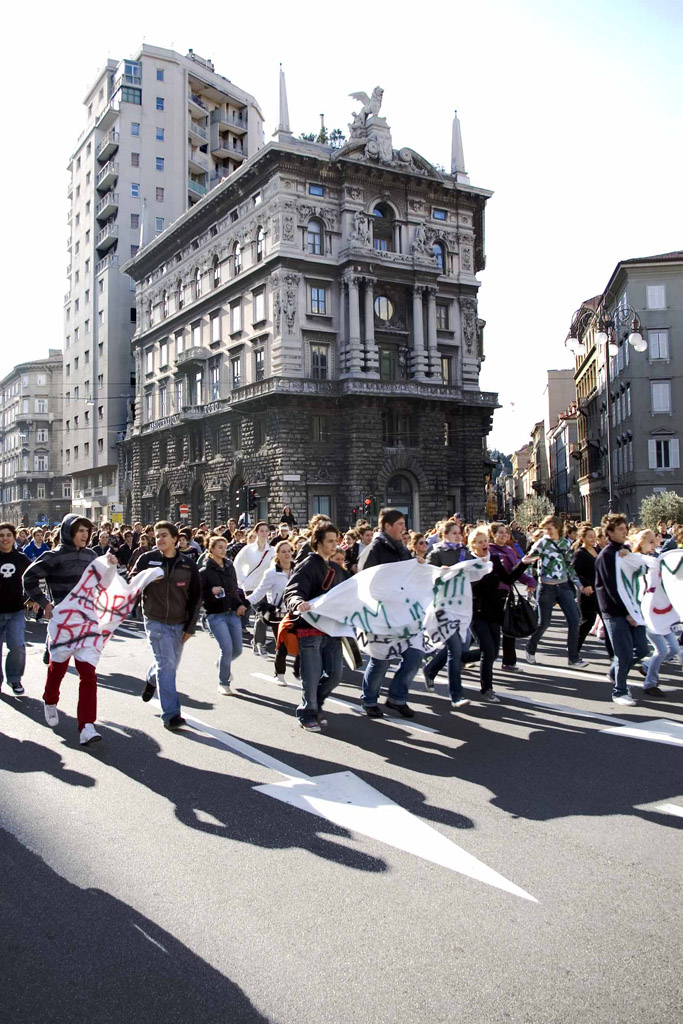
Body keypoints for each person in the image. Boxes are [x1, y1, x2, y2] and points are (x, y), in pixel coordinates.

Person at [23, 514, 115, 745]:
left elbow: (101, 585)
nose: (84, 535)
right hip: (62, 623)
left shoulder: (92, 555)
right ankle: (50, 700)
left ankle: (86, 726)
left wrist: (110, 570)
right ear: (68, 532)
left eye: (87, 531)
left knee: (88, 674)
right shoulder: (54, 556)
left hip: (87, 621)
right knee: (58, 669)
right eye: (80, 530)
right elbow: (29, 578)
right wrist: (45, 604)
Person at [131, 521, 202, 729]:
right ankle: (171, 714)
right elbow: (132, 582)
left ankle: (152, 678)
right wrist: (146, 577)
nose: (160, 539)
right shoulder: (147, 559)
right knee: (167, 665)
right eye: (157, 536)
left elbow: (196, 597)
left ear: (174, 539)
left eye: (164, 535)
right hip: (155, 620)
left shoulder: (188, 564)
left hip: (179, 622)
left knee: (169, 665)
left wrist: (190, 627)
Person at [357, 508, 422, 718]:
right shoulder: (374, 549)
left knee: (414, 655)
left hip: (403, 613)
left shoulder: (402, 549)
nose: (404, 528)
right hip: (381, 615)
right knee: (381, 659)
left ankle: (396, 697)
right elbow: (365, 581)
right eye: (400, 524)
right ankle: (369, 699)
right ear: (387, 526)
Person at [283, 521, 345, 731]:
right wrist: (298, 603)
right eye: (330, 541)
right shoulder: (308, 564)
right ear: (317, 542)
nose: (334, 545)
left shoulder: (336, 569)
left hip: (332, 630)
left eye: (336, 540)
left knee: (335, 674)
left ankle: (315, 702)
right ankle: (307, 713)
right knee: (311, 675)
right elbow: (292, 590)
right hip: (310, 630)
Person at [468, 529, 536, 703]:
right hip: (476, 612)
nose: (484, 544)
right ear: (472, 545)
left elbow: (507, 579)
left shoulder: (495, 559)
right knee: (488, 651)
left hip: (495, 611)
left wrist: (523, 563)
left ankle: (455, 657)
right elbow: (470, 588)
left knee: (493, 652)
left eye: (485, 541)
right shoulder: (470, 563)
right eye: (480, 542)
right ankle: (487, 689)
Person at [595, 514, 651, 706]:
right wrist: (626, 612)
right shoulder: (606, 556)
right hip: (614, 611)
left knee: (642, 648)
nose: (624, 531)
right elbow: (611, 588)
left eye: (625, 528)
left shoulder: (624, 551)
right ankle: (619, 691)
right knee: (624, 652)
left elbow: (639, 572)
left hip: (633, 608)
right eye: (620, 529)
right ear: (609, 533)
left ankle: (614, 671)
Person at [619, 529, 681, 698]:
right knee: (661, 650)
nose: (656, 544)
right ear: (641, 543)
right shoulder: (636, 560)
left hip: (663, 609)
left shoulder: (656, 557)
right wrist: (625, 551)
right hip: (647, 610)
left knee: (673, 648)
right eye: (651, 542)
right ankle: (649, 683)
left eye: (656, 540)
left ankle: (646, 668)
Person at [524, 515, 589, 669]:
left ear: (558, 528)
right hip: (546, 587)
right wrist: (529, 579)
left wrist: (578, 584)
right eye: (545, 529)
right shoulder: (542, 543)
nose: (547, 532)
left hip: (564, 587)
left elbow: (569, 566)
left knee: (574, 620)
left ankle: (573, 658)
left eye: (550, 529)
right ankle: (530, 647)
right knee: (544, 623)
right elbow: (528, 559)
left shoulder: (566, 543)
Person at [199, 536, 247, 695]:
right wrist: (210, 592)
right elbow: (196, 594)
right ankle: (223, 682)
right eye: (219, 547)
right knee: (226, 648)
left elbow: (234, 589)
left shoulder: (230, 567)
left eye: (224, 547)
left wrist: (240, 604)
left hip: (232, 612)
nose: (223, 550)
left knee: (238, 650)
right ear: (211, 550)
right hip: (215, 614)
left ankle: (221, 664)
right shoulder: (204, 572)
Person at [489, 522, 536, 672]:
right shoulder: (490, 551)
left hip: (507, 594)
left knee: (509, 629)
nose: (504, 535)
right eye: (500, 532)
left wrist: (529, 581)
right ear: (493, 534)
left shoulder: (509, 550)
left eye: (506, 533)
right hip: (492, 595)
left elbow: (517, 570)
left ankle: (509, 662)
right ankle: (466, 655)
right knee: (490, 631)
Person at [247, 539, 295, 682]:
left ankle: (302, 671)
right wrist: (243, 602)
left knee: (303, 643)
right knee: (283, 645)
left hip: (295, 613)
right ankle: (279, 674)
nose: (287, 554)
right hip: (278, 614)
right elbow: (259, 593)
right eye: (283, 551)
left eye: (289, 551)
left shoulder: (298, 570)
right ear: (277, 555)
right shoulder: (272, 573)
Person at [0, 523, 30, 696]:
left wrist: (31, 598)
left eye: (8, 535)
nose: (5, 538)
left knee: (17, 646)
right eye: (1, 535)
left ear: (14, 537)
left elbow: (33, 576)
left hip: (15, 611)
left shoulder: (21, 558)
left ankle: (14, 678)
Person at [572, 525, 600, 654]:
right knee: (588, 621)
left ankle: (614, 653)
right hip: (587, 591)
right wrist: (585, 584)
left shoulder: (598, 550)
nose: (593, 539)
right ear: (583, 538)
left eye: (594, 536)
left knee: (607, 619)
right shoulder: (580, 553)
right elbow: (576, 571)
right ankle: (573, 647)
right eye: (590, 537)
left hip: (600, 590)